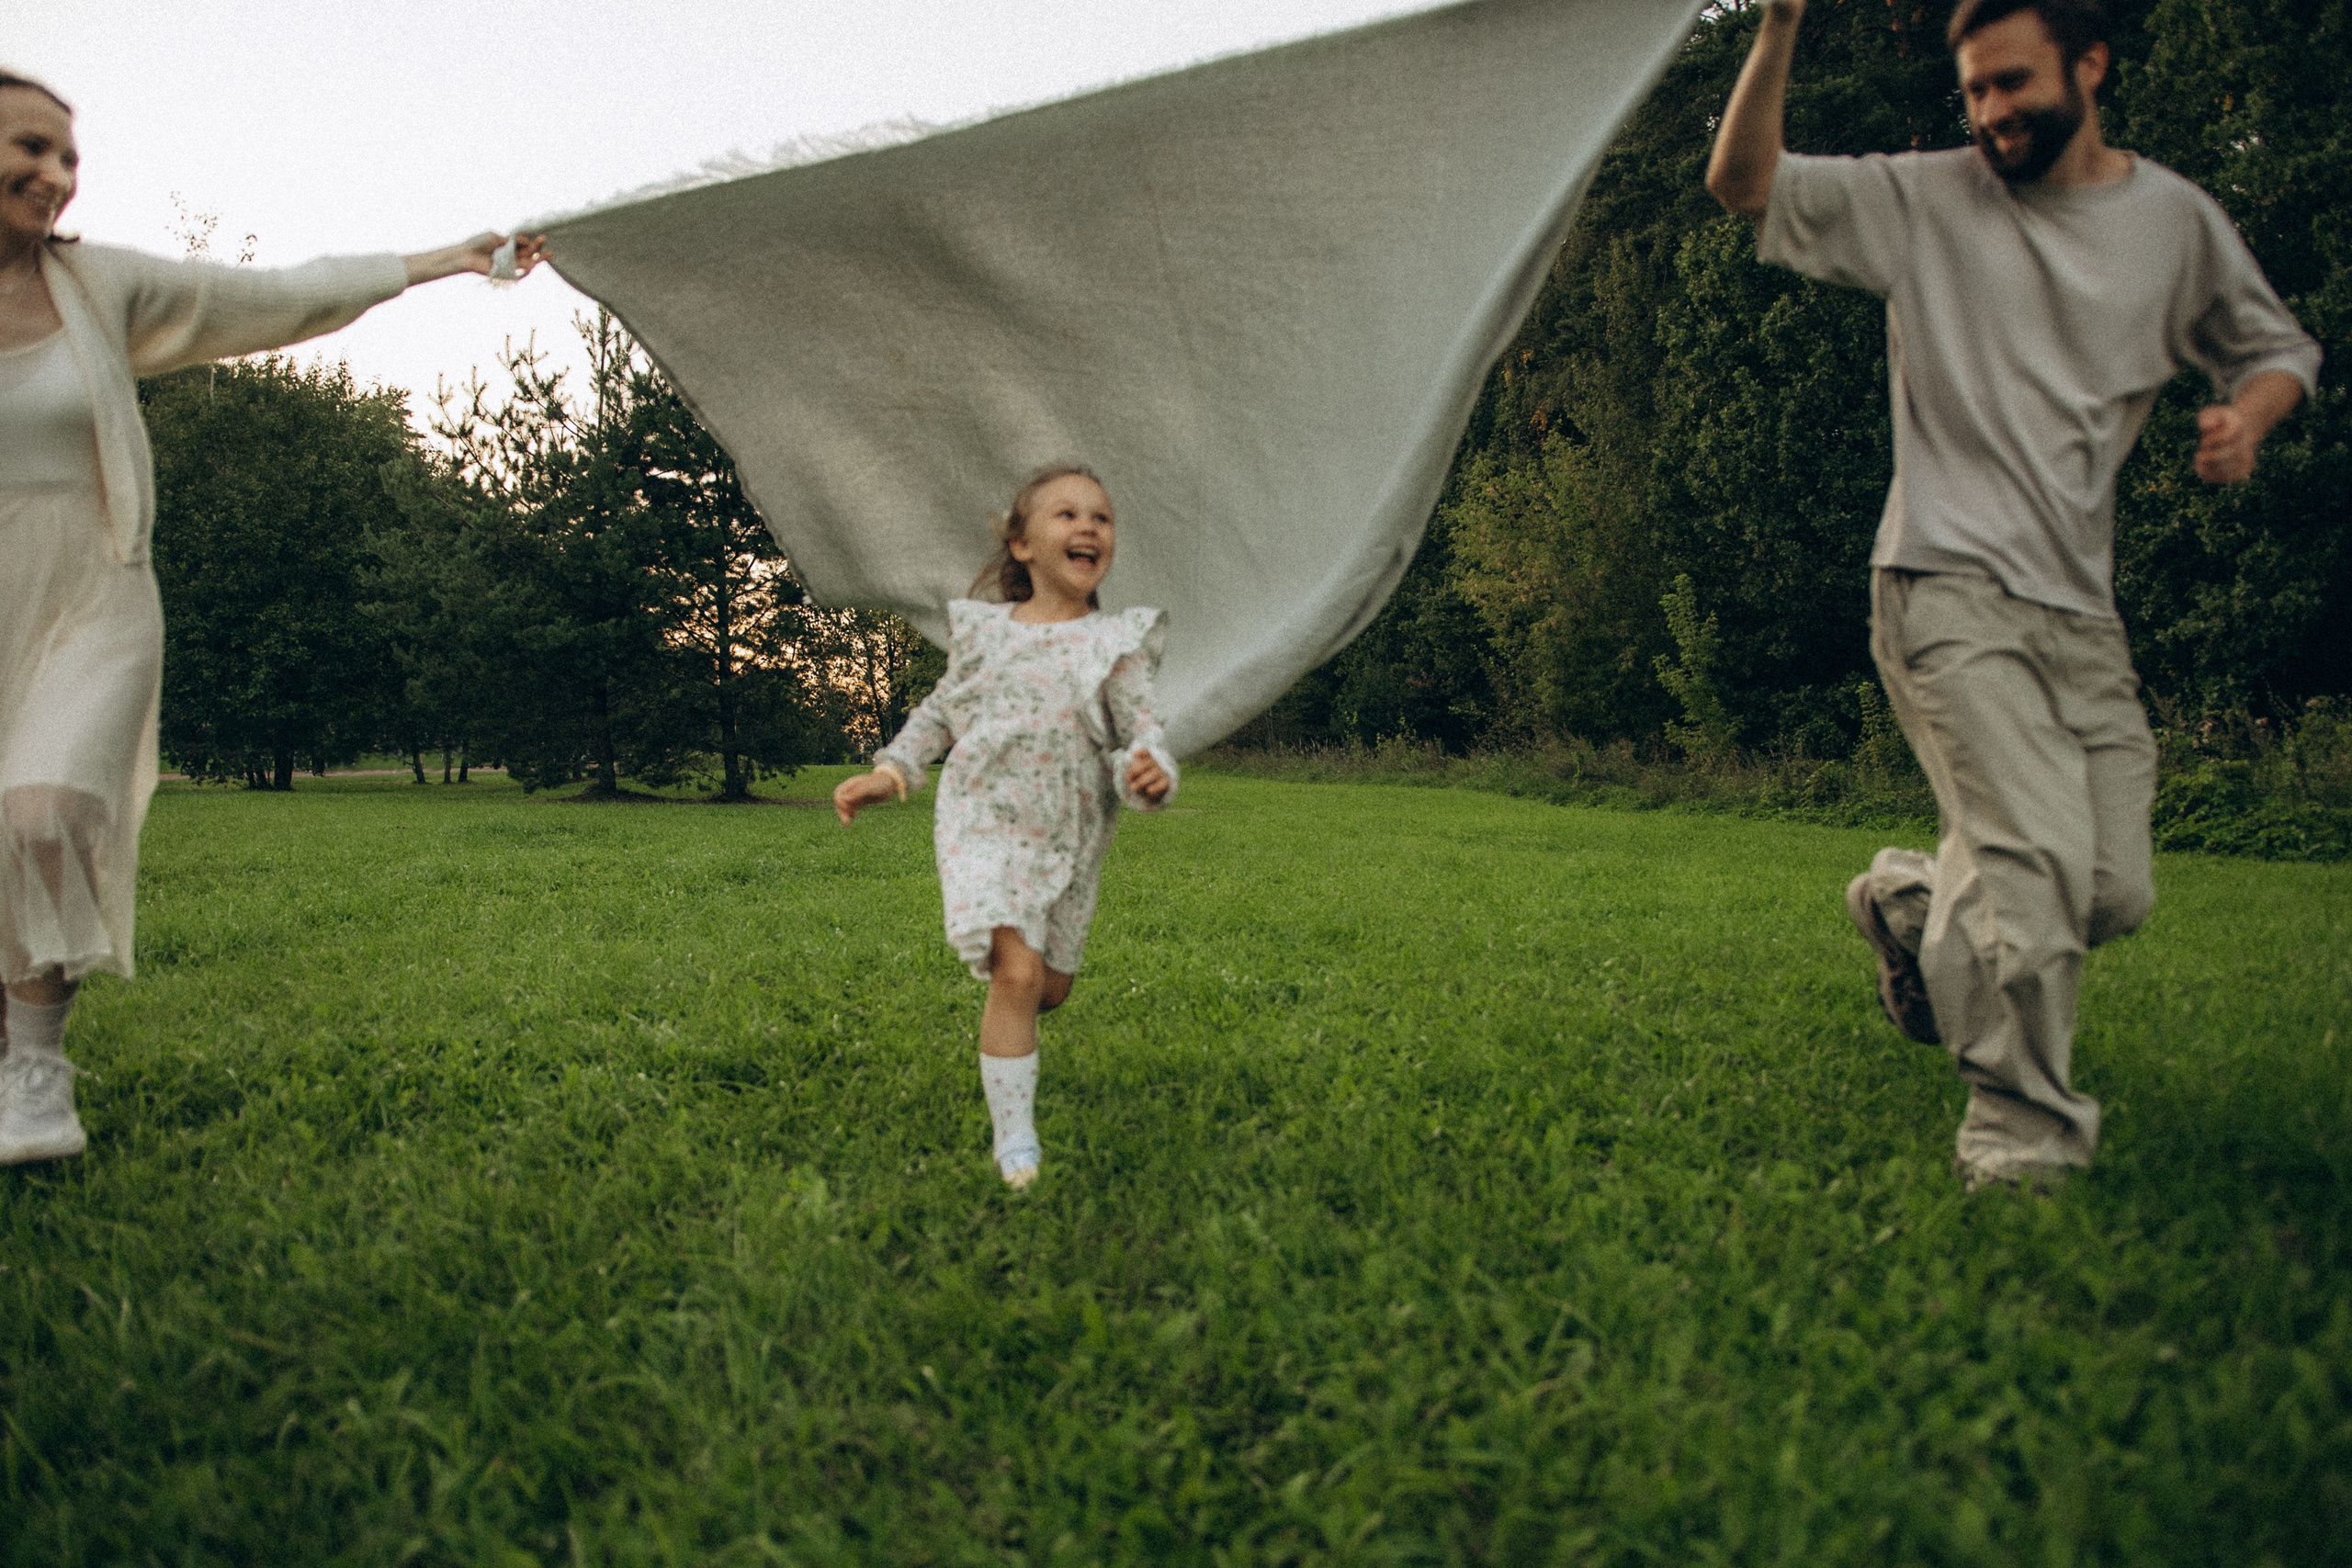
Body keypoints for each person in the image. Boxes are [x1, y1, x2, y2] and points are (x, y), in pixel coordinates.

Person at [1703, 0, 2321, 1190]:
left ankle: (1914, 907)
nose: (1990, 114)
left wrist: (2247, 414)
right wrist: (1776, 26)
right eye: (1974, 90)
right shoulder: (1929, 201)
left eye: (2013, 85)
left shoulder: (2173, 222)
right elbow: (1743, 182)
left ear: (2090, 67)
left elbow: (2280, 347)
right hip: (1941, 582)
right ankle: (2020, 1140)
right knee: (2032, 865)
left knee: (2108, 887)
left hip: (2080, 610)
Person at [0, 70, 551, 1166]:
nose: (57, 178)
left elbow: (273, 294)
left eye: (70, 159)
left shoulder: (95, 286)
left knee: (45, 811)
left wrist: (439, 259)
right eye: (32, 148)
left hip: (95, 593)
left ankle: (36, 1072)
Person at [833, 466, 1177, 1188]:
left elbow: (1139, 728)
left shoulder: (1115, 641)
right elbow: (939, 712)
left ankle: (1019, 1019)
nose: (1088, 527)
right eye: (1066, 514)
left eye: (1102, 517)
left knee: (1048, 987)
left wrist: (1151, 767)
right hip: (982, 816)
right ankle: (1015, 1142)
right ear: (1021, 544)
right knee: (1015, 971)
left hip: (1071, 829)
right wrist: (891, 772)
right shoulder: (986, 634)